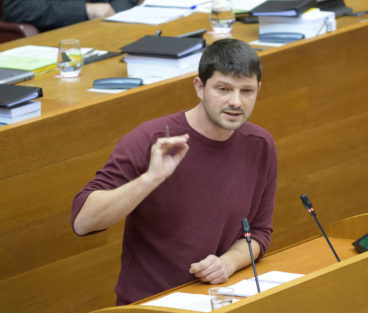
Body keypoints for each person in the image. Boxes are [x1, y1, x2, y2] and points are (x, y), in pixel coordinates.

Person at [71, 38, 278, 305]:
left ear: (258, 89)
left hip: (218, 299)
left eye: (247, 91)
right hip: (151, 304)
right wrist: (150, 178)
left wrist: (227, 263)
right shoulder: (150, 139)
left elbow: (259, 232)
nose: (236, 102)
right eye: (223, 89)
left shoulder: (260, 145)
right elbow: (83, 222)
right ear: (199, 87)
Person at [2, 0, 142, 32]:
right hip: (55, 37)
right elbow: (17, 7)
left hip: (111, 30)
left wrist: (118, 11)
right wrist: (85, 10)